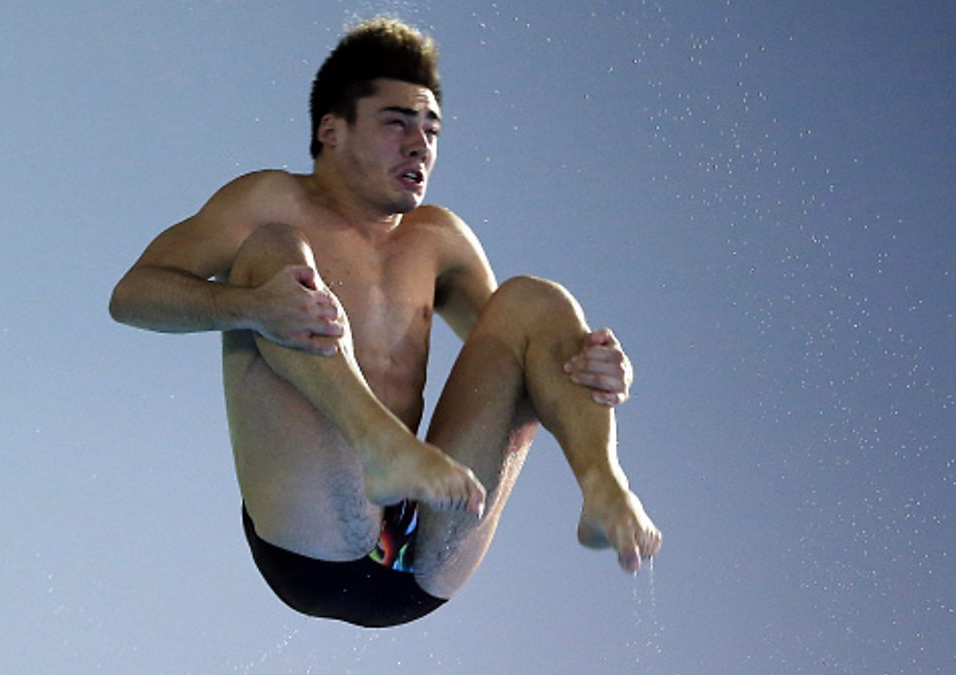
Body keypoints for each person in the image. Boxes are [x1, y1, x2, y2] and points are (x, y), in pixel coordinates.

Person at [110, 17, 661, 628]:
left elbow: (535, 359)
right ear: (332, 131)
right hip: (312, 539)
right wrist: (251, 307)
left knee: (535, 300)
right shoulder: (267, 200)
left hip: (423, 555)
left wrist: (597, 370)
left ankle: (604, 488)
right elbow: (133, 295)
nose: (419, 144)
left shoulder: (440, 238)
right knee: (275, 253)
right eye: (397, 123)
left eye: (431, 128)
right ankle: (381, 444)